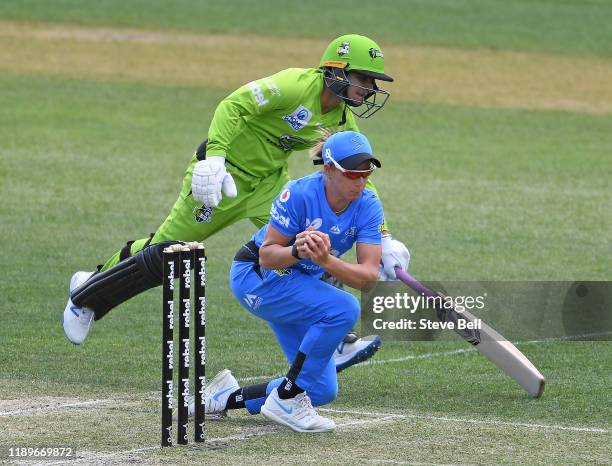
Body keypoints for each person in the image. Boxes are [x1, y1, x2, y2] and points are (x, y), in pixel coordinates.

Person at [61, 34, 410, 372]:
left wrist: (383, 236)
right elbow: (234, 105)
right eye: (363, 79)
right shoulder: (293, 85)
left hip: (268, 185)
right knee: (166, 251)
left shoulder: (342, 120)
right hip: (223, 177)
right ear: (336, 70)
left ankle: (338, 340)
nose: (370, 89)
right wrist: (214, 159)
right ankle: (90, 290)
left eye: (373, 82)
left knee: (312, 242)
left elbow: (359, 176)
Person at [199, 130, 385, 432]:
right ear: (328, 169)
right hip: (257, 277)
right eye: (352, 174)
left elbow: (368, 278)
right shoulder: (297, 194)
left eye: (367, 173)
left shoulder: (368, 204)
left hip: (297, 284)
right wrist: (298, 251)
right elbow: (267, 256)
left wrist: (326, 261)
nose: (361, 181)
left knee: (322, 390)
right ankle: (286, 399)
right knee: (344, 309)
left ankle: (223, 397)